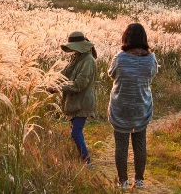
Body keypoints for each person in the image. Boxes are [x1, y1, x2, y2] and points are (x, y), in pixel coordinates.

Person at [108, 23, 158, 190]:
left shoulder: (120, 58)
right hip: (141, 106)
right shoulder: (151, 59)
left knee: (121, 146)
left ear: (126, 37)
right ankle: (140, 180)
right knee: (140, 144)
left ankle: (122, 182)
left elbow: (111, 74)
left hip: (121, 106)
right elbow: (152, 75)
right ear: (144, 38)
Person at [53, 31, 97, 165]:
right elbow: (64, 74)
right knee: (76, 131)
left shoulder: (88, 60)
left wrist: (59, 88)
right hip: (75, 101)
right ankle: (84, 158)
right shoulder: (76, 57)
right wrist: (52, 82)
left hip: (83, 102)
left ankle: (87, 161)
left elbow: (80, 84)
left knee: (75, 133)